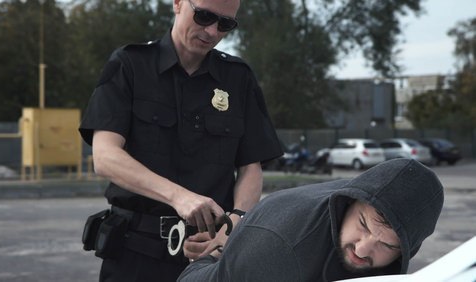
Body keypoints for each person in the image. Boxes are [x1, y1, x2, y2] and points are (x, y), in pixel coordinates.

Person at [78, 0, 282, 281]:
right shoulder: (131, 64)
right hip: (135, 253)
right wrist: (180, 197)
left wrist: (231, 228)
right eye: (204, 16)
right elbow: (105, 157)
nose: (211, 31)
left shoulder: (237, 78)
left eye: (225, 24)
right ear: (177, 3)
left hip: (209, 255)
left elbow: (251, 167)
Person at [177, 158, 445, 282]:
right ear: (349, 202)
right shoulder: (279, 249)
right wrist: (216, 253)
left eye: (387, 246)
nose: (363, 249)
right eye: (363, 225)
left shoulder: (371, 210)